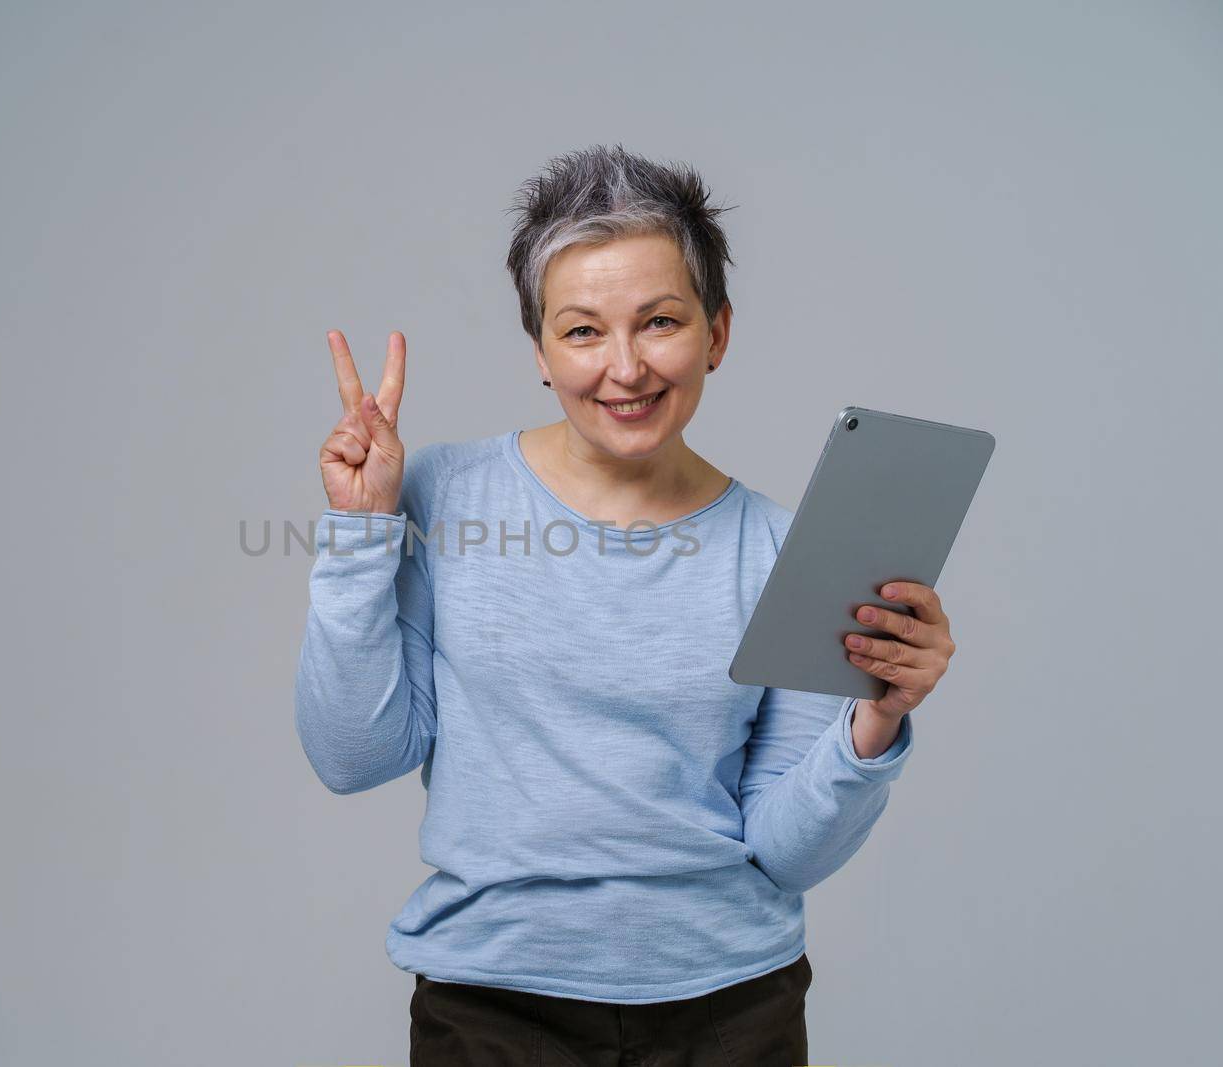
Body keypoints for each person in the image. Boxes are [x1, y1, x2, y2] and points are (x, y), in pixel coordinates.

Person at [294, 144, 958, 1066]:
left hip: (732, 1011)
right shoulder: (442, 492)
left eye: (659, 321)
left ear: (717, 334)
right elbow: (352, 755)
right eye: (582, 332)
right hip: (491, 1006)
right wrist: (362, 532)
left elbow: (786, 851)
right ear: (538, 351)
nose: (626, 367)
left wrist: (874, 721)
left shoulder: (781, 549)